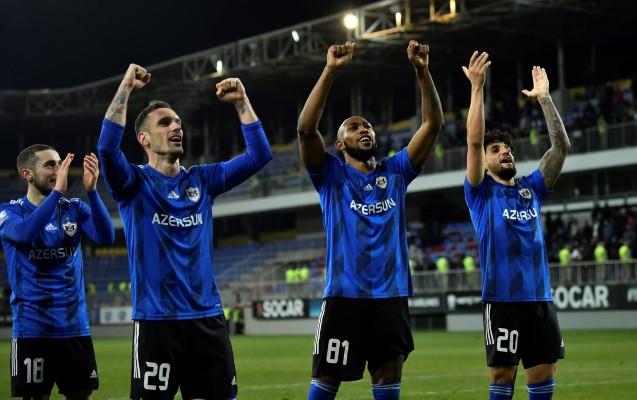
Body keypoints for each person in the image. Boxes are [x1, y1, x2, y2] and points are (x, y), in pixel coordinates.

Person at [97, 64, 272, 400]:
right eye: (165, 123)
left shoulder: (202, 180)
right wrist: (126, 88)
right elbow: (106, 149)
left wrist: (242, 102)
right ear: (144, 139)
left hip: (207, 319)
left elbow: (259, 155)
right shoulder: (133, 183)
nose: (176, 126)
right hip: (157, 323)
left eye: (178, 122)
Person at [297, 41, 443, 400]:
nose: (364, 130)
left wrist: (422, 71)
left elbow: (433, 124)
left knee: (388, 375)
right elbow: (305, 129)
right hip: (344, 295)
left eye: (367, 126)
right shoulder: (330, 175)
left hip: (391, 296)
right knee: (326, 379)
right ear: (339, 144)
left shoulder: (396, 171)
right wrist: (330, 71)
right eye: (353, 127)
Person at [462, 52, 570, 399]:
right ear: (485, 161)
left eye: (507, 147)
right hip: (502, 300)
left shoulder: (531, 189)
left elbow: (561, 148)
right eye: (495, 149)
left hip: (540, 300)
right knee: (502, 377)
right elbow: (474, 141)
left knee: (542, 375)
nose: (504, 151)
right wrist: (477, 88)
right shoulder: (480, 192)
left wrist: (545, 99)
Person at [0, 145, 114, 399]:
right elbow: (25, 234)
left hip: (75, 328)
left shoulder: (74, 208)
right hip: (32, 330)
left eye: (60, 163)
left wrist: (92, 192)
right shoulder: (9, 212)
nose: (59, 170)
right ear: (27, 174)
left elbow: (106, 237)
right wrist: (57, 193)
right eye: (50, 165)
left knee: (81, 395)